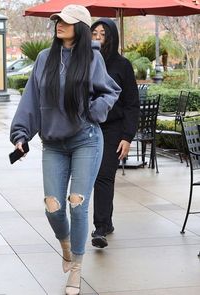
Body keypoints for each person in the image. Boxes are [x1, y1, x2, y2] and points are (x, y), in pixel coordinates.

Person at [10, 5, 121, 295]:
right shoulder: (45, 59)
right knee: (53, 207)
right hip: (53, 144)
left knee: (77, 204)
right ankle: (66, 245)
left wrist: (93, 111)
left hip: (86, 139)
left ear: (80, 28)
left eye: (67, 22)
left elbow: (111, 91)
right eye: (58, 20)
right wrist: (21, 134)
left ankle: (76, 269)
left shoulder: (91, 58)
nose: (59, 25)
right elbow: (31, 101)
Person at [90, 18, 140, 248]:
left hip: (113, 129)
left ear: (112, 37)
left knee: (104, 176)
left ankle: (100, 227)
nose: (98, 36)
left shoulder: (122, 65)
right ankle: (106, 222)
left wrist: (127, 137)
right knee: (89, 178)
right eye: (94, 32)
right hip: (88, 127)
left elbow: (132, 103)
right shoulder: (85, 61)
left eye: (103, 33)